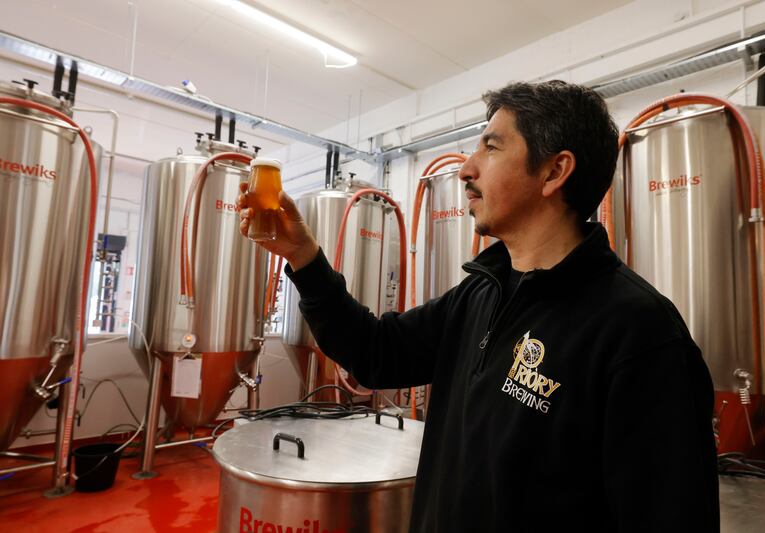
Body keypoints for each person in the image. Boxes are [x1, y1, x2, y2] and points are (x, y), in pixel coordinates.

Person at [238, 80, 720, 532]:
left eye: (491, 147)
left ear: (555, 171)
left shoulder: (639, 334)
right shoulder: (481, 293)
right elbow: (375, 351)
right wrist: (303, 257)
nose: (467, 168)